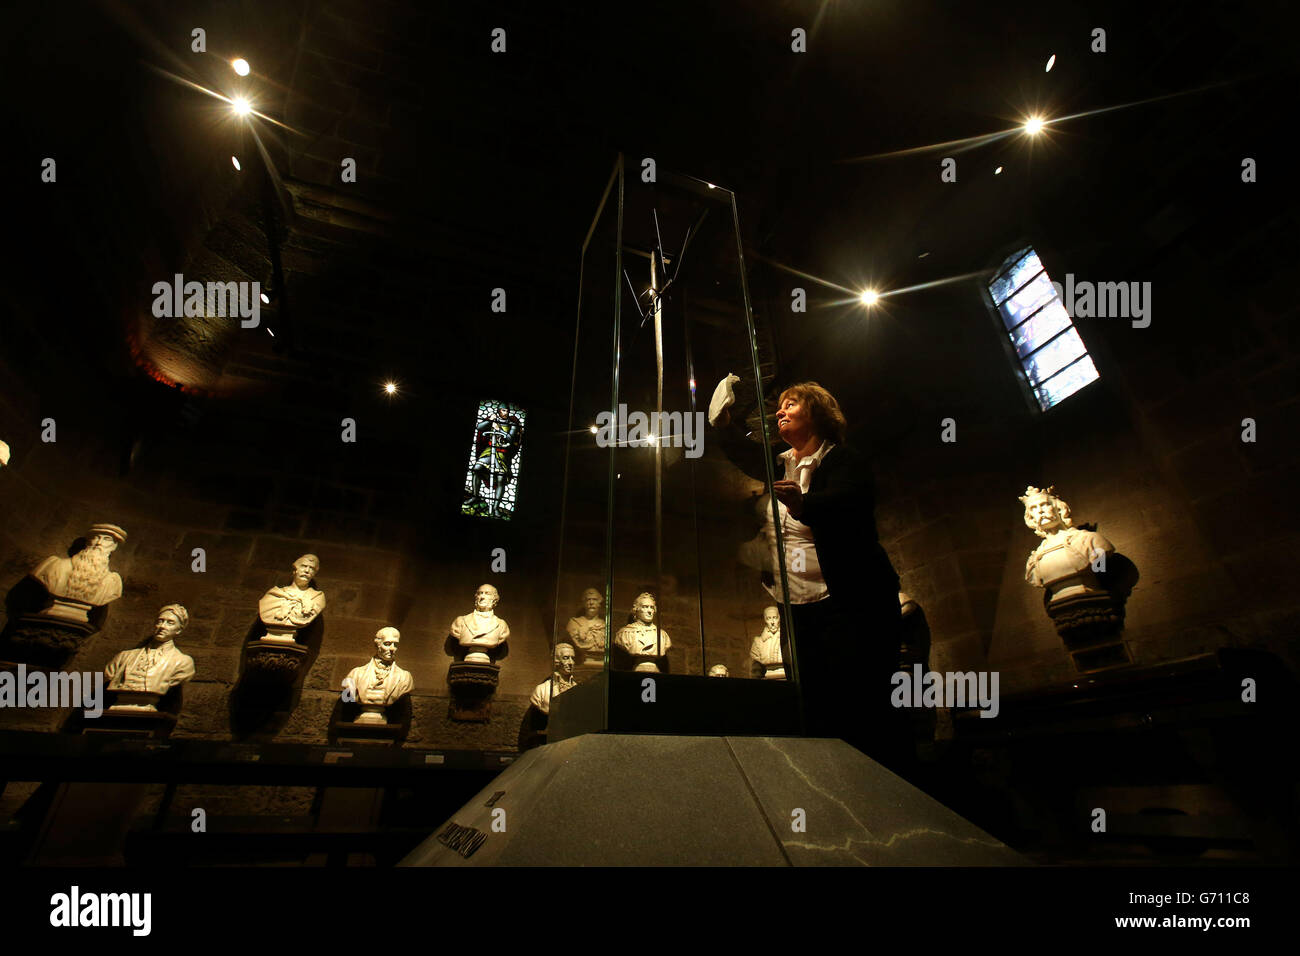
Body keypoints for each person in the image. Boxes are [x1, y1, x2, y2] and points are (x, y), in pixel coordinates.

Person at [712, 380, 908, 772]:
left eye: (791, 404)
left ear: (816, 412)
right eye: (779, 406)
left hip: (849, 601)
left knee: (862, 701)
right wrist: (723, 423)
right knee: (814, 704)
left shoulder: (843, 460)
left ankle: (883, 790)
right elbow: (745, 454)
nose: (780, 411)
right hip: (797, 607)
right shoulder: (782, 462)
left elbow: (850, 501)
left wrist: (806, 504)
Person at [104, 604, 197, 704]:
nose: (162, 626)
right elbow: (109, 675)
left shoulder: (183, 662)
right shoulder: (124, 656)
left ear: (179, 630)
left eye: (170, 623)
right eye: (160, 621)